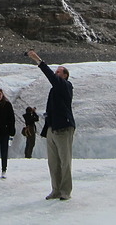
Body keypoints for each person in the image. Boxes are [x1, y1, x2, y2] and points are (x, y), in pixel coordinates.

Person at [26, 50, 76, 201]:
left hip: (64, 128)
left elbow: (52, 78)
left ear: (65, 75)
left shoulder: (66, 86)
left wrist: (39, 61)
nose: (56, 73)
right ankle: (56, 190)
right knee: (53, 162)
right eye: (56, 71)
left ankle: (65, 191)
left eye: (59, 72)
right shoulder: (55, 89)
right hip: (52, 129)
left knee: (65, 161)